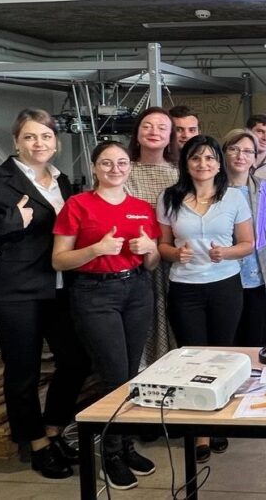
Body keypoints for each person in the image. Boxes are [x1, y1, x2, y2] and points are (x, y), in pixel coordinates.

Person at [0, 108, 91, 479]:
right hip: (17, 290)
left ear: (56, 142)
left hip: (60, 287)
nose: (38, 143)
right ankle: (35, 444)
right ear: (16, 141)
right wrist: (10, 220)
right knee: (23, 372)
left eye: (46, 136)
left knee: (76, 361)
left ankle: (53, 430)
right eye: (29, 136)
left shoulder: (61, 181)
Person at [52, 141, 161, 490]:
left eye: (122, 163)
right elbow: (59, 260)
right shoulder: (77, 205)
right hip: (95, 294)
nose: (116, 169)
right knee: (113, 375)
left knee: (130, 374)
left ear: (130, 167)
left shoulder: (141, 208)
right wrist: (96, 249)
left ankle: (126, 445)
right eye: (107, 163)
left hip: (137, 290)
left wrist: (151, 249)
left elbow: (153, 262)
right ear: (95, 167)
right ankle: (110, 454)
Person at [158, 134, 255, 462]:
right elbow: (162, 245)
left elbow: (248, 244)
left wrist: (226, 252)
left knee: (222, 355)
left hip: (225, 286)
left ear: (219, 164)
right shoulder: (170, 197)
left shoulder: (234, 197)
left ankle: (218, 422)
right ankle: (199, 430)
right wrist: (175, 253)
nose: (203, 164)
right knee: (192, 358)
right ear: (186, 163)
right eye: (196, 158)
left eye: (210, 158)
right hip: (185, 288)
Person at [222, 129, 266, 346]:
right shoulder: (211, 190)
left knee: (254, 342)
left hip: (256, 280)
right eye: (234, 149)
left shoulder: (265, 191)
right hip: (220, 280)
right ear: (224, 153)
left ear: (254, 157)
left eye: (248, 151)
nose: (240, 156)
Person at [126, 107, 180, 364]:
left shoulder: (180, 173)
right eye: (147, 126)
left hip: (172, 261)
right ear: (137, 133)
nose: (154, 132)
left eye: (162, 127)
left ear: (170, 137)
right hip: (132, 261)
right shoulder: (123, 169)